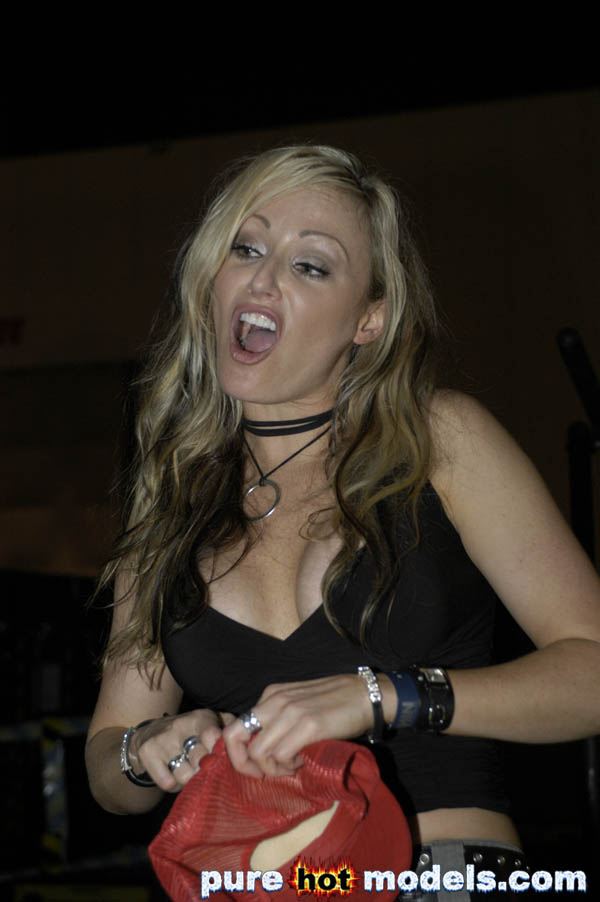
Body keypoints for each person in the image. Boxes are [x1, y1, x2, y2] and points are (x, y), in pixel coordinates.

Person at [85, 143, 600, 900]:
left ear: (369, 319)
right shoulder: (171, 498)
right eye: (246, 248)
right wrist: (149, 748)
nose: (263, 279)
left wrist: (382, 695)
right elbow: (107, 761)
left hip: (442, 873)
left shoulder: (435, 441)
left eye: (310, 265)